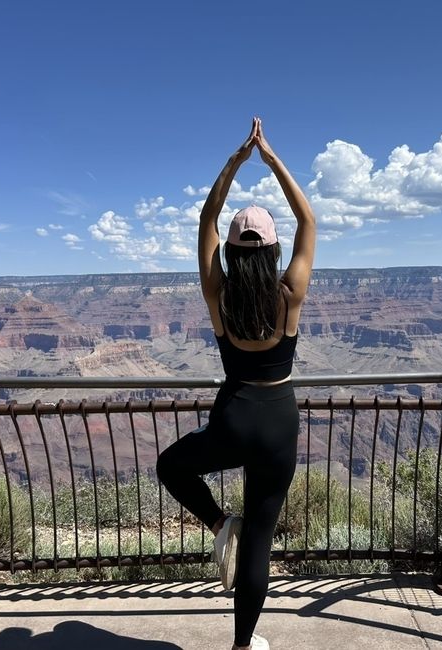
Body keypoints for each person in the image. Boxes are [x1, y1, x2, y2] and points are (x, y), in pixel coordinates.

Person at [156, 117, 316, 650]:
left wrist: (235, 161)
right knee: (261, 543)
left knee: (171, 465)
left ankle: (222, 521)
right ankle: (243, 646)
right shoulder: (288, 294)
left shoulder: (217, 293)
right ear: (272, 252)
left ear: (230, 251)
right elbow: (307, 219)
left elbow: (207, 214)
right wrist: (271, 159)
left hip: (232, 416)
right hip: (278, 423)